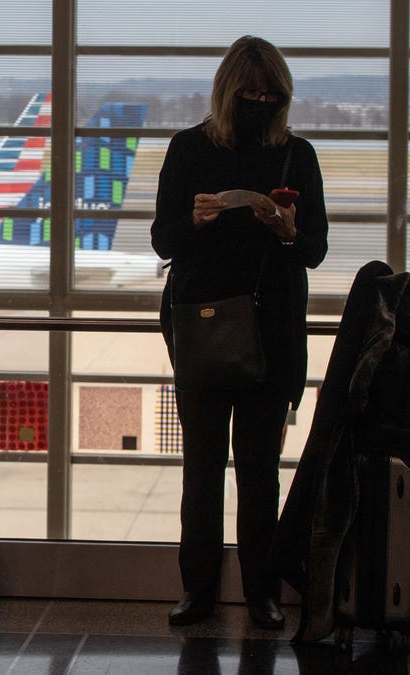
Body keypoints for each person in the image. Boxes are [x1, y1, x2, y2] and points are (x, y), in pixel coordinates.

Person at [150, 36, 329, 629]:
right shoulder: (187, 149)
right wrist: (195, 220)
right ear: (229, 92)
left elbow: (315, 250)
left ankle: (262, 592)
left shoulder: (296, 155)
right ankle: (198, 591)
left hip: (273, 330)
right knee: (200, 470)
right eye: (249, 92)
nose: (259, 102)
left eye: (269, 94)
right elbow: (162, 241)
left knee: (259, 473)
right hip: (201, 325)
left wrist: (286, 229)